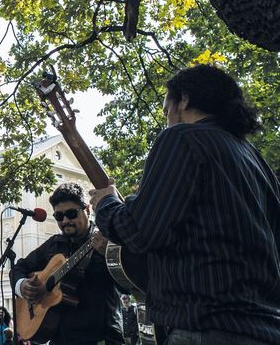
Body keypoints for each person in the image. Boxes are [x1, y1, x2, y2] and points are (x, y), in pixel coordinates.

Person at [89, 64, 280, 345]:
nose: (167, 120)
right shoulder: (254, 159)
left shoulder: (182, 138)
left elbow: (138, 232)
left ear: (185, 99)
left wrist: (106, 203)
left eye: (167, 110)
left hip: (204, 329)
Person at [10, 183, 123, 345]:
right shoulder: (53, 245)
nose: (65, 221)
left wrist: (110, 254)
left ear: (88, 210)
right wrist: (22, 286)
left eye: (71, 214)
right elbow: (19, 268)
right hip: (60, 338)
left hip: (101, 337)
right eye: (59, 216)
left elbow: (128, 286)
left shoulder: (107, 239)